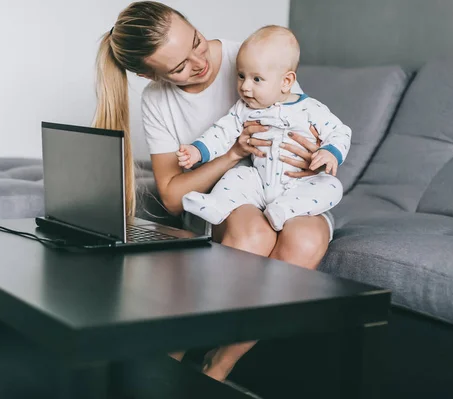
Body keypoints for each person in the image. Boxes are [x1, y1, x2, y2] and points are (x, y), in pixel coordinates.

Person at [94, 1, 335, 384]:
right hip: (223, 197)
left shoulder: (253, 55)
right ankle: (176, 350)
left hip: (283, 187)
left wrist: (314, 154)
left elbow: (300, 122)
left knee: (306, 238)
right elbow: (173, 196)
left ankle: (222, 361)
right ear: (147, 74)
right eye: (179, 67)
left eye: (196, 41)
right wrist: (233, 153)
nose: (199, 61)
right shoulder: (157, 100)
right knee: (254, 233)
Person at [178, 26, 351, 231]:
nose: (245, 87)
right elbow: (221, 131)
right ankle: (217, 206)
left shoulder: (311, 109)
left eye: (256, 79)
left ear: (286, 82)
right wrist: (198, 150)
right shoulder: (244, 109)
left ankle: (284, 210)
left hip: (299, 185)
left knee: (332, 187)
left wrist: (329, 152)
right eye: (241, 76)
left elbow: (340, 132)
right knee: (237, 176)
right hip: (259, 183)